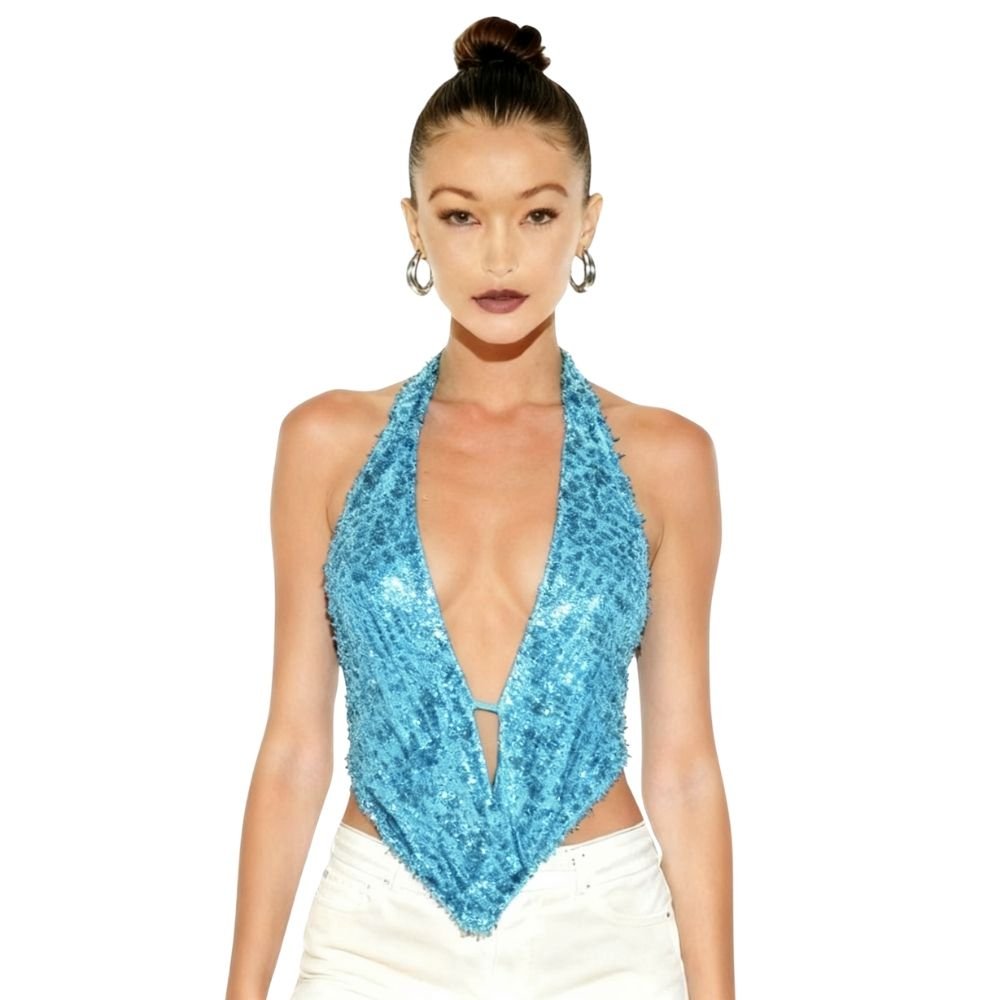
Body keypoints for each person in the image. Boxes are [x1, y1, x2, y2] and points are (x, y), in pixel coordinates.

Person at [226, 16, 733, 1000]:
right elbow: (293, 748)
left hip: (604, 933)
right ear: (414, 225)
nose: (500, 255)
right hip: (375, 932)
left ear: (587, 222)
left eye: (537, 214)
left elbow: (684, 765)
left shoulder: (668, 459)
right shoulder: (325, 444)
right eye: (461, 216)